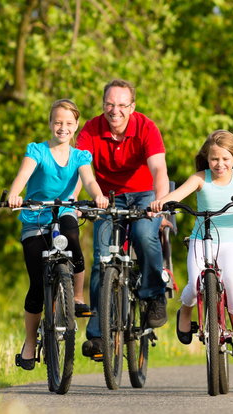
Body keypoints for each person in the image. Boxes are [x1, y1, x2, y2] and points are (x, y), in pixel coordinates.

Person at [7, 99, 109, 370]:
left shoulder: (80, 156)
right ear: (50, 124)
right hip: (35, 216)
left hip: (64, 210)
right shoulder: (37, 151)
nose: (62, 127)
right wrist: (15, 194)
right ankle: (30, 343)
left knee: (73, 238)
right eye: (57, 122)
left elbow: (88, 180)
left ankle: (76, 296)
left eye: (68, 123)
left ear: (76, 125)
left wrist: (97, 196)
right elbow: (23, 175)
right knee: (37, 286)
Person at [77, 79, 170, 359]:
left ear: (132, 106)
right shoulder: (91, 129)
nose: (114, 110)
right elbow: (82, 169)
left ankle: (153, 294)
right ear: (103, 104)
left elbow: (159, 170)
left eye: (121, 105)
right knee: (102, 259)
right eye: (109, 104)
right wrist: (83, 199)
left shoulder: (146, 127)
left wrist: (160, 203)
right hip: (107, 196)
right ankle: (97, 336)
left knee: (144, 235)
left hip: (145, 194)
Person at [149, 130, 233, 358]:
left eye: (225, 159)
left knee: (232, 281)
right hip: (201, 240)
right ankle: (185, 312)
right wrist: (160, 203)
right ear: (207, 158)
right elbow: (178, 196)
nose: (220, 164)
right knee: (194, 283)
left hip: (230, 240)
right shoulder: (200, 178)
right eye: (214, 159)